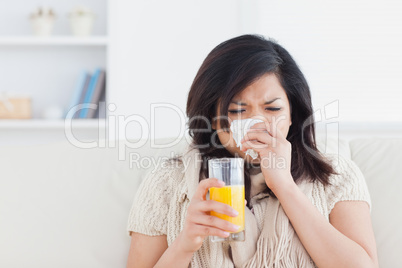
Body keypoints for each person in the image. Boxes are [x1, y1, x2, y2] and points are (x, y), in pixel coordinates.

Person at [126, 34, 378, 268]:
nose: (257, 123)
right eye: (237, 111)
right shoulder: (168, 183)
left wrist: (285, 186)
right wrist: (185, 243)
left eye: (272, 109)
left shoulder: (336, 175)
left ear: (292, 115)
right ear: (213, 120)